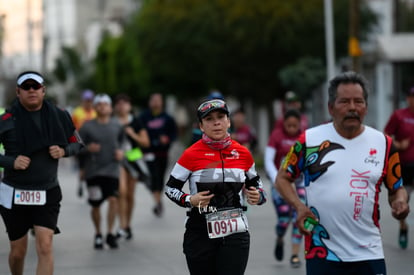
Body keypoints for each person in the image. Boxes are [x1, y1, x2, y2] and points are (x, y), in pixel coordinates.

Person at [275, 71, 410, 275]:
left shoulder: (384, 144)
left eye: (358, 101)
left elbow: (396, 189)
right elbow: (283, 178)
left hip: (368, 252)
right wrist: (299, 207)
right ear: (331, 107)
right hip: (322, 251)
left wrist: (400, 202)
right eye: (344, 102)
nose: (352, 108)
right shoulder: (309, 140)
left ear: (366, 106)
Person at [165, 98, 267, 275]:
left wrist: (259, 196)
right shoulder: (191, 154)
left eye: (221, 117)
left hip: (235, 232)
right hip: (199, 231)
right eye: (209, 119)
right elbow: (170, 188)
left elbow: (256, 184)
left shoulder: (243, 153)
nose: (216, 122)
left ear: (228, 121)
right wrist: (189, 200)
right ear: (202, 126)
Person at [0, 71, 83, 275]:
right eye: (26, 87)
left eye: (35, 86)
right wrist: (11, 162)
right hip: (14, 192)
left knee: (45, 246)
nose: (31, 90)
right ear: (18, 92)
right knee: (18, 252)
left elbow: (78, 144)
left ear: (43, 90)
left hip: (47, 190)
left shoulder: (60, 115)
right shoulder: (6, 119)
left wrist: (64, 151)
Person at [79, 94, 124, 249]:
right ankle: (98, 233)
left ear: (111, 108)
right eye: (100, 104)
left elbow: (123, 143)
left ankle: (110, 233)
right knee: (96, 204)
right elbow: (76, 146)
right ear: (95, 107)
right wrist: (87, 149)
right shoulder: (87, 126)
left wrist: (121, 153)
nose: (103, 106)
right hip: (93, 171)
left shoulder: (117, 125)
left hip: (112, 170)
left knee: (113, 200)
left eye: (106, 104)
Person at [264, 109, 305, 268]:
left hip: (299, 183)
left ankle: (295, 254)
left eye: (295, 125)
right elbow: (268, 160)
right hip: (279, 183)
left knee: (298, 216)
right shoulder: (276, 136)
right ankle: (280, 237)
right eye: (289, 125)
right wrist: (276, 179)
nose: (292, 129)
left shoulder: (304, 137)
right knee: (283, 219)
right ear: (283, 124)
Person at [113, 94, 150, 240]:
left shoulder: (136, 121)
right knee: (121, 192)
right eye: (119, 103)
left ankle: (127, 225)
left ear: (129, 106)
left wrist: (133, 134)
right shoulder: (112, 122)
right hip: (118, 160)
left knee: (129, 194)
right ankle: (121, 225)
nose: (122, 106)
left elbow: (145, 142)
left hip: (133, 158)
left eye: (125, 103)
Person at [384, 86, 414, 249]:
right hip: (404, 165)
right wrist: (398, 144)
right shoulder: (399, 116)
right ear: (408, 99)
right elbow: (386, 136)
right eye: (412, 97)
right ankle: (403, 226)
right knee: (402, 198)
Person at [139, 93, 177, 217]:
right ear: (150, 102)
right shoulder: (144, 117)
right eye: (153, 100)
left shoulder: (167, 118)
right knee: (153, 175)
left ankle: (158, 199)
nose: (155, 103)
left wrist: (167, 139)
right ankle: (157, 202)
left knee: (160, 177)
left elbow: (174, 133)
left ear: (162, 102)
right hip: (149, 152)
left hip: (162, 153)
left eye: (158, 100)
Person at [71, 89, 97, 197]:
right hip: (81, 143)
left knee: (93, 167)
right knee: (82, 169)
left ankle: (92, 188)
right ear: (83, 100)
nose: (88, 102)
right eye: (87, 100)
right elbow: (71, 128)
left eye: (90, 100)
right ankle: (81, 183)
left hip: (93, 143)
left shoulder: (96, 112)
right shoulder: (77, 112)